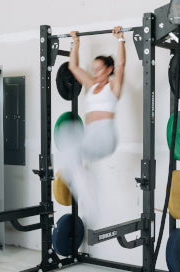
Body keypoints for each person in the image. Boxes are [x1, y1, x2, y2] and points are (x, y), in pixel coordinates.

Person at [57, 26, 127, 204]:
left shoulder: (113, 87)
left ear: (108, 69)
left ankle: (88, 195)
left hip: (105, 137)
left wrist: (120, 40)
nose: (95, 73)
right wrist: (76, 42)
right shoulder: (91, 85)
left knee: (71, 157)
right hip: (90, 135)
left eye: (99, 69)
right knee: (65, 136)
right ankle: (84, 183)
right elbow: (73, 66)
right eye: (94, 69)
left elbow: (121, 65)